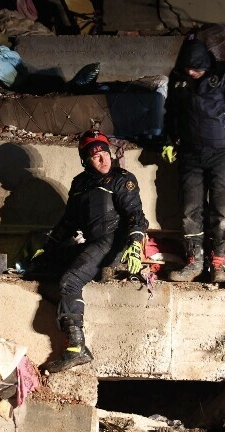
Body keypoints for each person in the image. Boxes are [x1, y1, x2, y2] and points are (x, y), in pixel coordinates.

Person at [36, 130, 148, 373]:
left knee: (70, 280)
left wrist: (134, 244)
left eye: (105, 153)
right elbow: (69, 223)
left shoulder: (122, 179)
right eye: (95, 156)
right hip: (92, 243)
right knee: (42, 266)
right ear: (86, 160)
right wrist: (46, 248)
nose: (103, 159)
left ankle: (76, 348)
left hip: (113, 241)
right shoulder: (80, 184)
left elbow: (135, 216)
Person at [162, 39, 225, 283]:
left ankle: (218, 265)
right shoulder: (179, 79)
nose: (191, 73)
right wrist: (169, 140)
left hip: (222, 155)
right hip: (190, 154)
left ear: (205, 63)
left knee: (221, 211)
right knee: (189, 210)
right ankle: (194, 262)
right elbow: (171, 112)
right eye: (187, 68)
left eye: (196, 68)